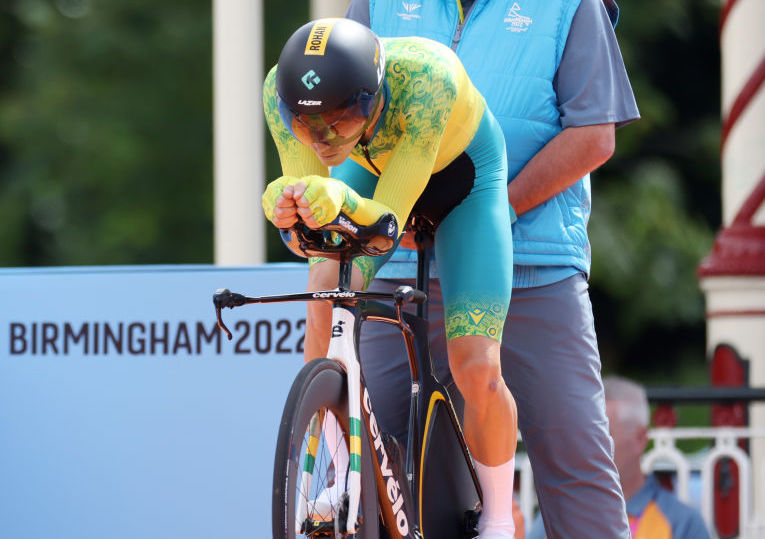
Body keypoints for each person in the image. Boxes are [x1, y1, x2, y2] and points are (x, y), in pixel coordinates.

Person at [343, 1, 641, 538]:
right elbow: (339, 117)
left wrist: (494, 212)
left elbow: (595, 133)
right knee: (366, 463)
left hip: (534, 266)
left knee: (576, 469)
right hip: (401, 268)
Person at [262, 18, 518, 537]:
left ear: (371, 100)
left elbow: (383, 226)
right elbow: (305, 238)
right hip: (375, 172)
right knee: (324, 293)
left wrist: (334, 202)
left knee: (475, 365)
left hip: (462, 178)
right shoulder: (278, 92)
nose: (323, 139)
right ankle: (336, 472)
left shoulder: (429, 78)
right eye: (306, 127)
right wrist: (291, 212)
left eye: (339, 120)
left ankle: (497, 519)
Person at [528, 376, 711, 538]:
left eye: (602, 436)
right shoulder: (555, 517)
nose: (586, 448)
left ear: (640, 439)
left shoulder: (682, 523)